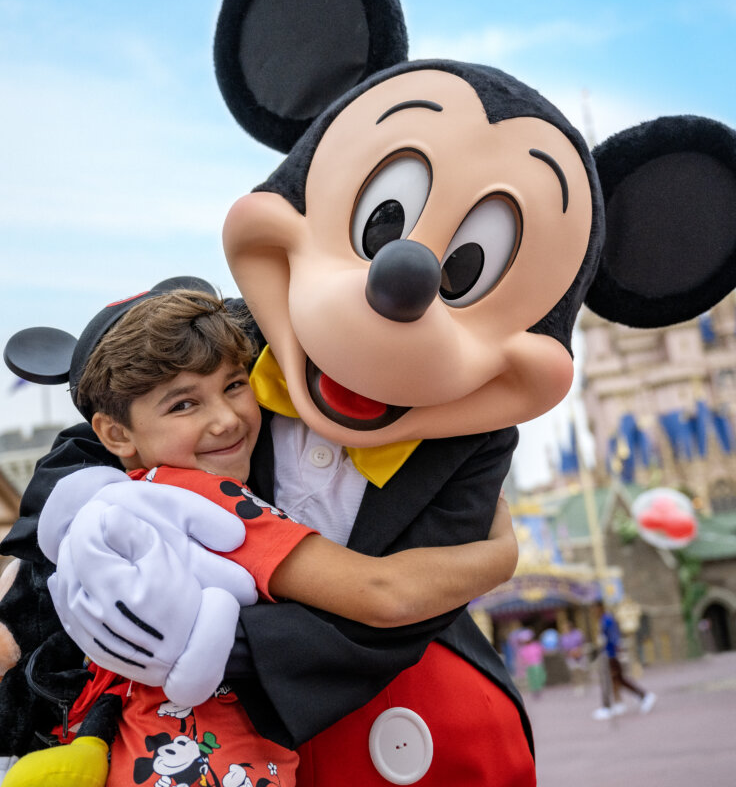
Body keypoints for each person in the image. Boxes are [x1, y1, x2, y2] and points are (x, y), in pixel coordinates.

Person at [4, 285, 518, 787]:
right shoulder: (207, 499)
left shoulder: (108, 506)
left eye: (234, 385)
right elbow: (380, 593)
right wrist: (498, 558)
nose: (226, 419)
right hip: (216, 761)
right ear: (115, 434)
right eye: (183, 405)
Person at [592, 605, 656, 720]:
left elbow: (613, 636)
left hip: (611, 655)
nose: (593, 611)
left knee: (610, 679)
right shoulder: (604, 619)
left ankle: (609, 706)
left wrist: (614, 648)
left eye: (594, 609)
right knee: (616, 680)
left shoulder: (607, 620)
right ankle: (622, 701)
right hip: (609, 653)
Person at [516, 630, 546, 699]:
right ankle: (535, 690)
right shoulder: (523, 648)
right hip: (529, 665)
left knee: (539, 677)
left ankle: (538, 688)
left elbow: (542, 652)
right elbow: (522, 657)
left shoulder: (536, 645)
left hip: (537, 663)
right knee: (532, 678)